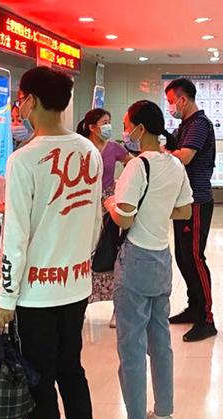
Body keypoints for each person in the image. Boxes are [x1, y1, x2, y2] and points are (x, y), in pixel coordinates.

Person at [0, 66, 103, 419]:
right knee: (71, 368)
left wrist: (5, 298)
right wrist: (78, 264)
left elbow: (15, 235)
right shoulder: (89, 151)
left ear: (32, 101)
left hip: (36, 295)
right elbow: (94, 222)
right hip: (76, 285)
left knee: (38, 377)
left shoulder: (24, 159)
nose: (18, 106)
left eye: (20, 99)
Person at [104, 100, 193, 419]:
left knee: (131, 347)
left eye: (128, 125)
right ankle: (163, 417)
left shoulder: (138, 165)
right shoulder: (174, 163)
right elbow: (184, 211)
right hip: (161, 258)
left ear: (141, 128)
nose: (125, 131)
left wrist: (111, 204)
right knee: (160, 343)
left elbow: (124, 218)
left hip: (136, 259)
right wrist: (156, 209)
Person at [165, 78, 218, 342]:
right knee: (183, 257)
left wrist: (161, 155)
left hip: (197, 201)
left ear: (183, 99)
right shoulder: (185, 125)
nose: (170, 106)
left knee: (195, 258)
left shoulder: (199, 124)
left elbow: (184, 157)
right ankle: (194, 307)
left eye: (171, 101)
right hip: (183, 201)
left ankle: (207, 319)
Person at [76, 108, 131, 327]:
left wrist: (124, 188)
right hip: (84, 204)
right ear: (92, 127)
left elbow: (133, 164)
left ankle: (118, 309)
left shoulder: (114, 148)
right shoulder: (80, 147)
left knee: (110, 254)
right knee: (84, 256)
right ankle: (80, 305)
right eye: (104, 122)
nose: (109, 126)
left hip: (108, 207)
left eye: (110, 121)